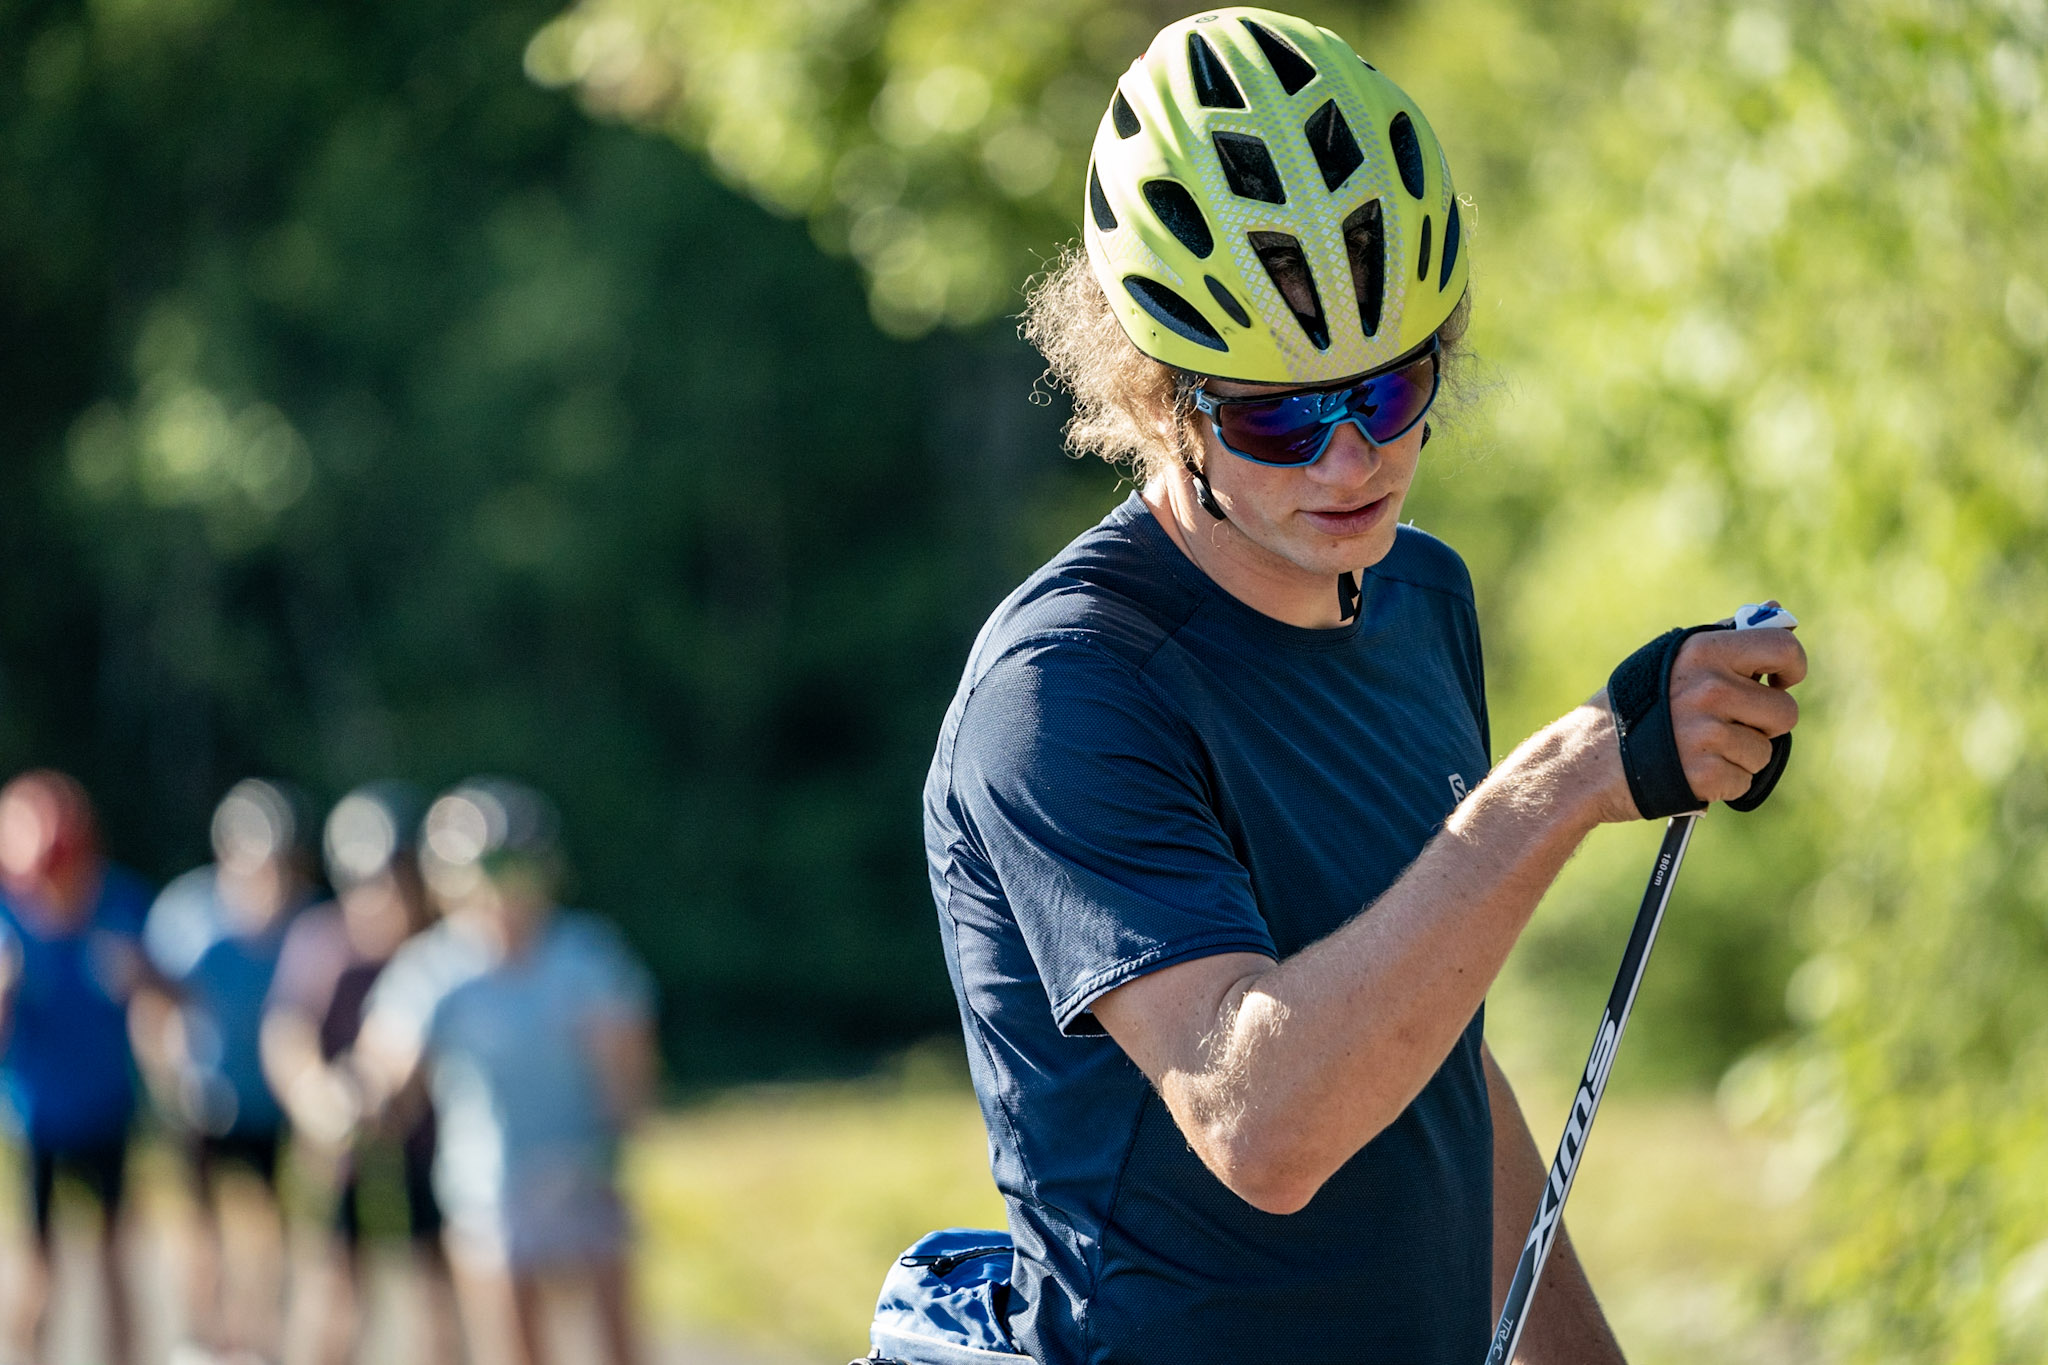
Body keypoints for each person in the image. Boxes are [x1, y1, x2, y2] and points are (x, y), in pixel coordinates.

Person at [920, 9, 1808, 1365]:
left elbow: (1429, 1051)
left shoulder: (1418, 596)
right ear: (1156, 395)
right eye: (1279, 415)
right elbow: (1261, 1122)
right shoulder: (1068, 691)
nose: (1351, 462)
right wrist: (1565, 782)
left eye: (1393, 389)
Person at [354, 778, 655, 1365]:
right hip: (489, 1189)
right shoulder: (436, 968)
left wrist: (622, 1120)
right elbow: (387, 1058)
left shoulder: (584, 955)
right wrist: (366, 1095)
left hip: (582, 1172)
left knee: (617, 1341)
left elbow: (630, 1067)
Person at [262, 782, 459, 1365]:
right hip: (340, 1149)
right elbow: (287, 1031)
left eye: (397, 880)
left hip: (428, 1148)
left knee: (437, 1297)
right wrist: (314, 1096)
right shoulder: (322, 941)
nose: (384, 898)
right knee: (336, 1295)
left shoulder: (438, 949)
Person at [134, 777, 313, 1361]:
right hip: (203, 1097)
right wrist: (168, 1081)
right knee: (198, 1228)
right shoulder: (190, 913)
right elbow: (153, 1005)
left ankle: (260, 1341)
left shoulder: (305, 921)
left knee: (275, 1231)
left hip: (275, 1101)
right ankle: (200, 1337)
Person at [0, 771, 153, 1365]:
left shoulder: (119, 902)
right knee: (36, 1263)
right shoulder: (8, 919)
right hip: (35, 1117)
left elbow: (179, 999)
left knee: (116, 1261)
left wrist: (142, 978)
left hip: (108, 1107)